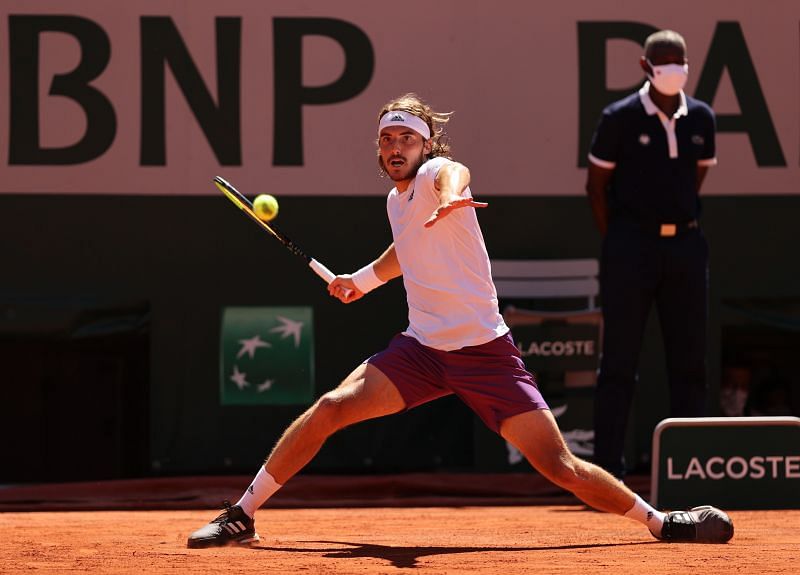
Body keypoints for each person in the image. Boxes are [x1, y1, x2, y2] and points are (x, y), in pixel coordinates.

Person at [188, 93, 732, 548]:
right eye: (387, 139)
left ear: (426, 144)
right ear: (378, 149)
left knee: (560, 466)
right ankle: (242, 513)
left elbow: (454, 175)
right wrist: (361, 280)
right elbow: (403, 251)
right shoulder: (397, 202)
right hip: (421, 351)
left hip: (485, 354)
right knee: (331, 407)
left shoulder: (436, 176)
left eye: (406, 138)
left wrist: (449, 198)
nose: (396, 147)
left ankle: (662, 523)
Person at [585, 30, 717, 478]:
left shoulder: (701, 117)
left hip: (685, 246)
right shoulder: (618, 117)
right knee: (619, 360)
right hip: (630, 248)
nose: (671, 70)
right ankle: (608, 472)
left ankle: (691, 467)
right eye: (662, 62)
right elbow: (596, 188)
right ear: (645, 66)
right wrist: (622, 238)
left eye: (678, 61)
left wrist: (674, 227)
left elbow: (694, 180)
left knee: (690, 358)